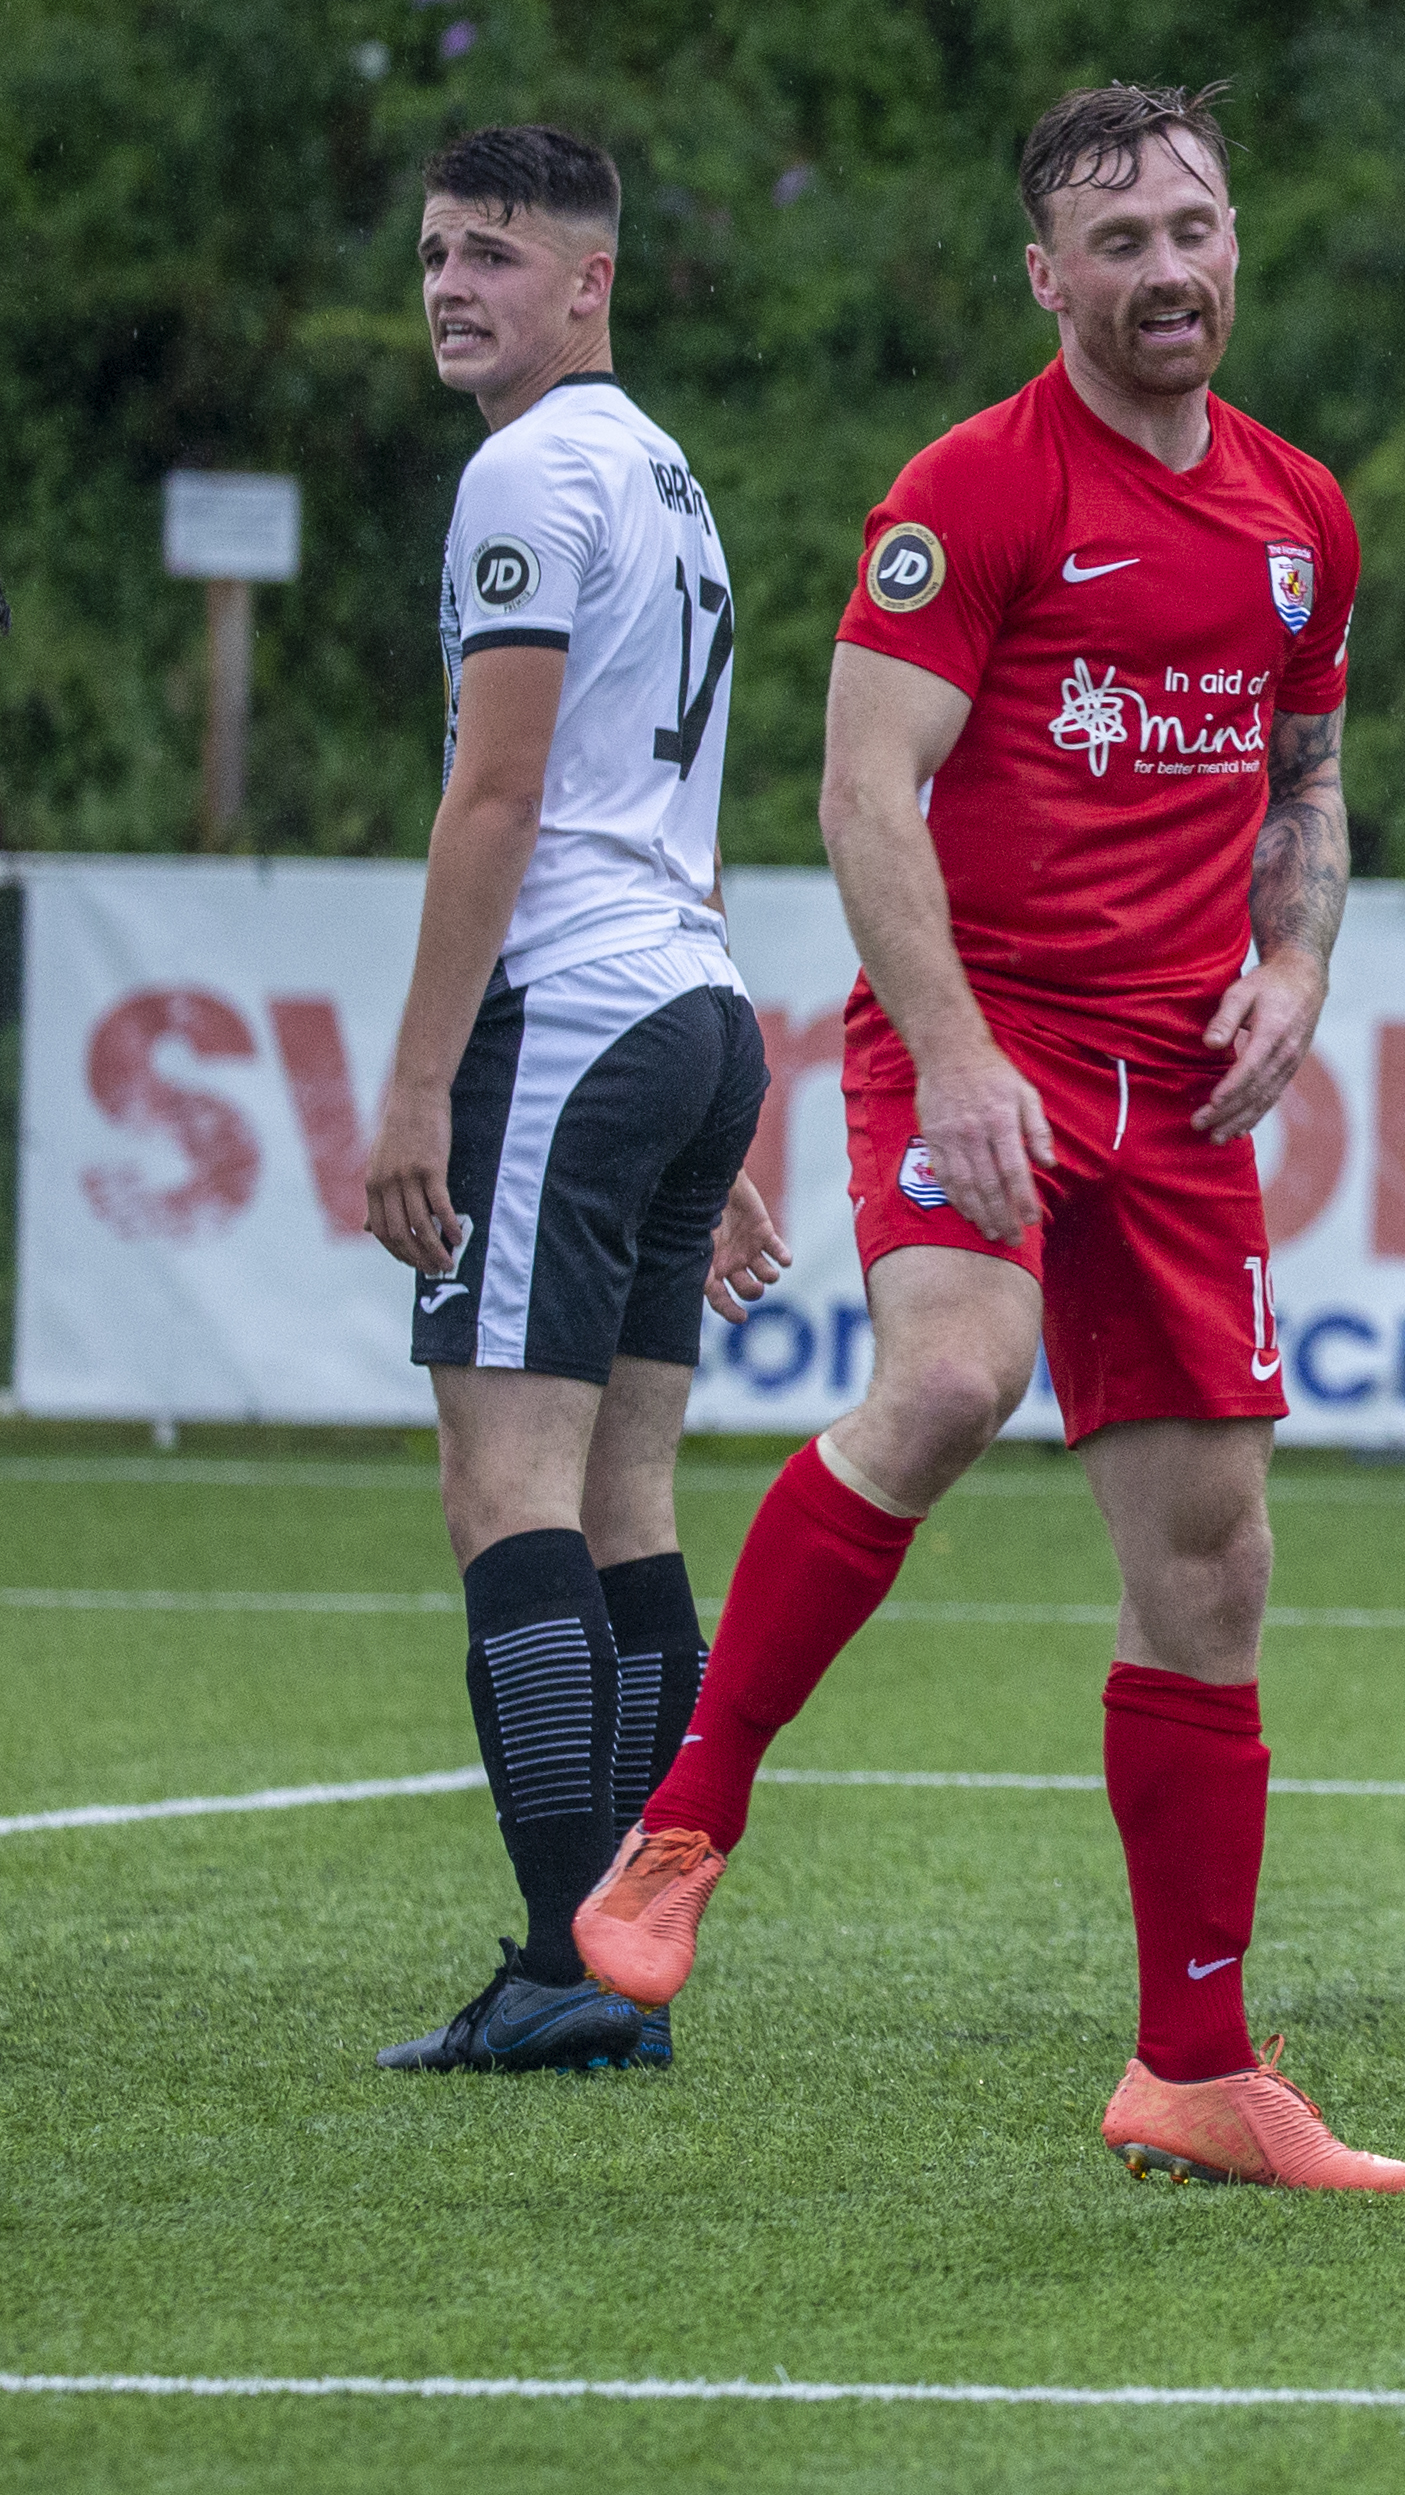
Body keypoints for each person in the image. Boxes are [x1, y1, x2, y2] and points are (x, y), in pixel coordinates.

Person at [569, 83, 1405, 2192]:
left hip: (1182, 1087)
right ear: (1048, 275)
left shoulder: (1301, 509)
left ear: (1238, 243)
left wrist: (1297, 965)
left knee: (1213, 1562)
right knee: (953, 1368)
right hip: (988, 1036)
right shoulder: (971, 491)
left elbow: (1307, 773)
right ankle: (689, 1821)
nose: (1166, 273)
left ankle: (1196, 2067)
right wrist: (951, 1050)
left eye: (1193, 230)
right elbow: (866, 793)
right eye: (1117, 242)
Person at [368, 124, 791, 2077]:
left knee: (504, 1489)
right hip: (686, 997)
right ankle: (613, 1950)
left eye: (494, 257)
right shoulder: (666, 475)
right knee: (625, 1498)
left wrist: (415, 1080)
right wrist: (723, 1107)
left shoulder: (531, 467)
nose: (454, 285)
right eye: (439, 253)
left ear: (588, 280)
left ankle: (562, 1964)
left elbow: (502, 795)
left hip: (577, 1004)